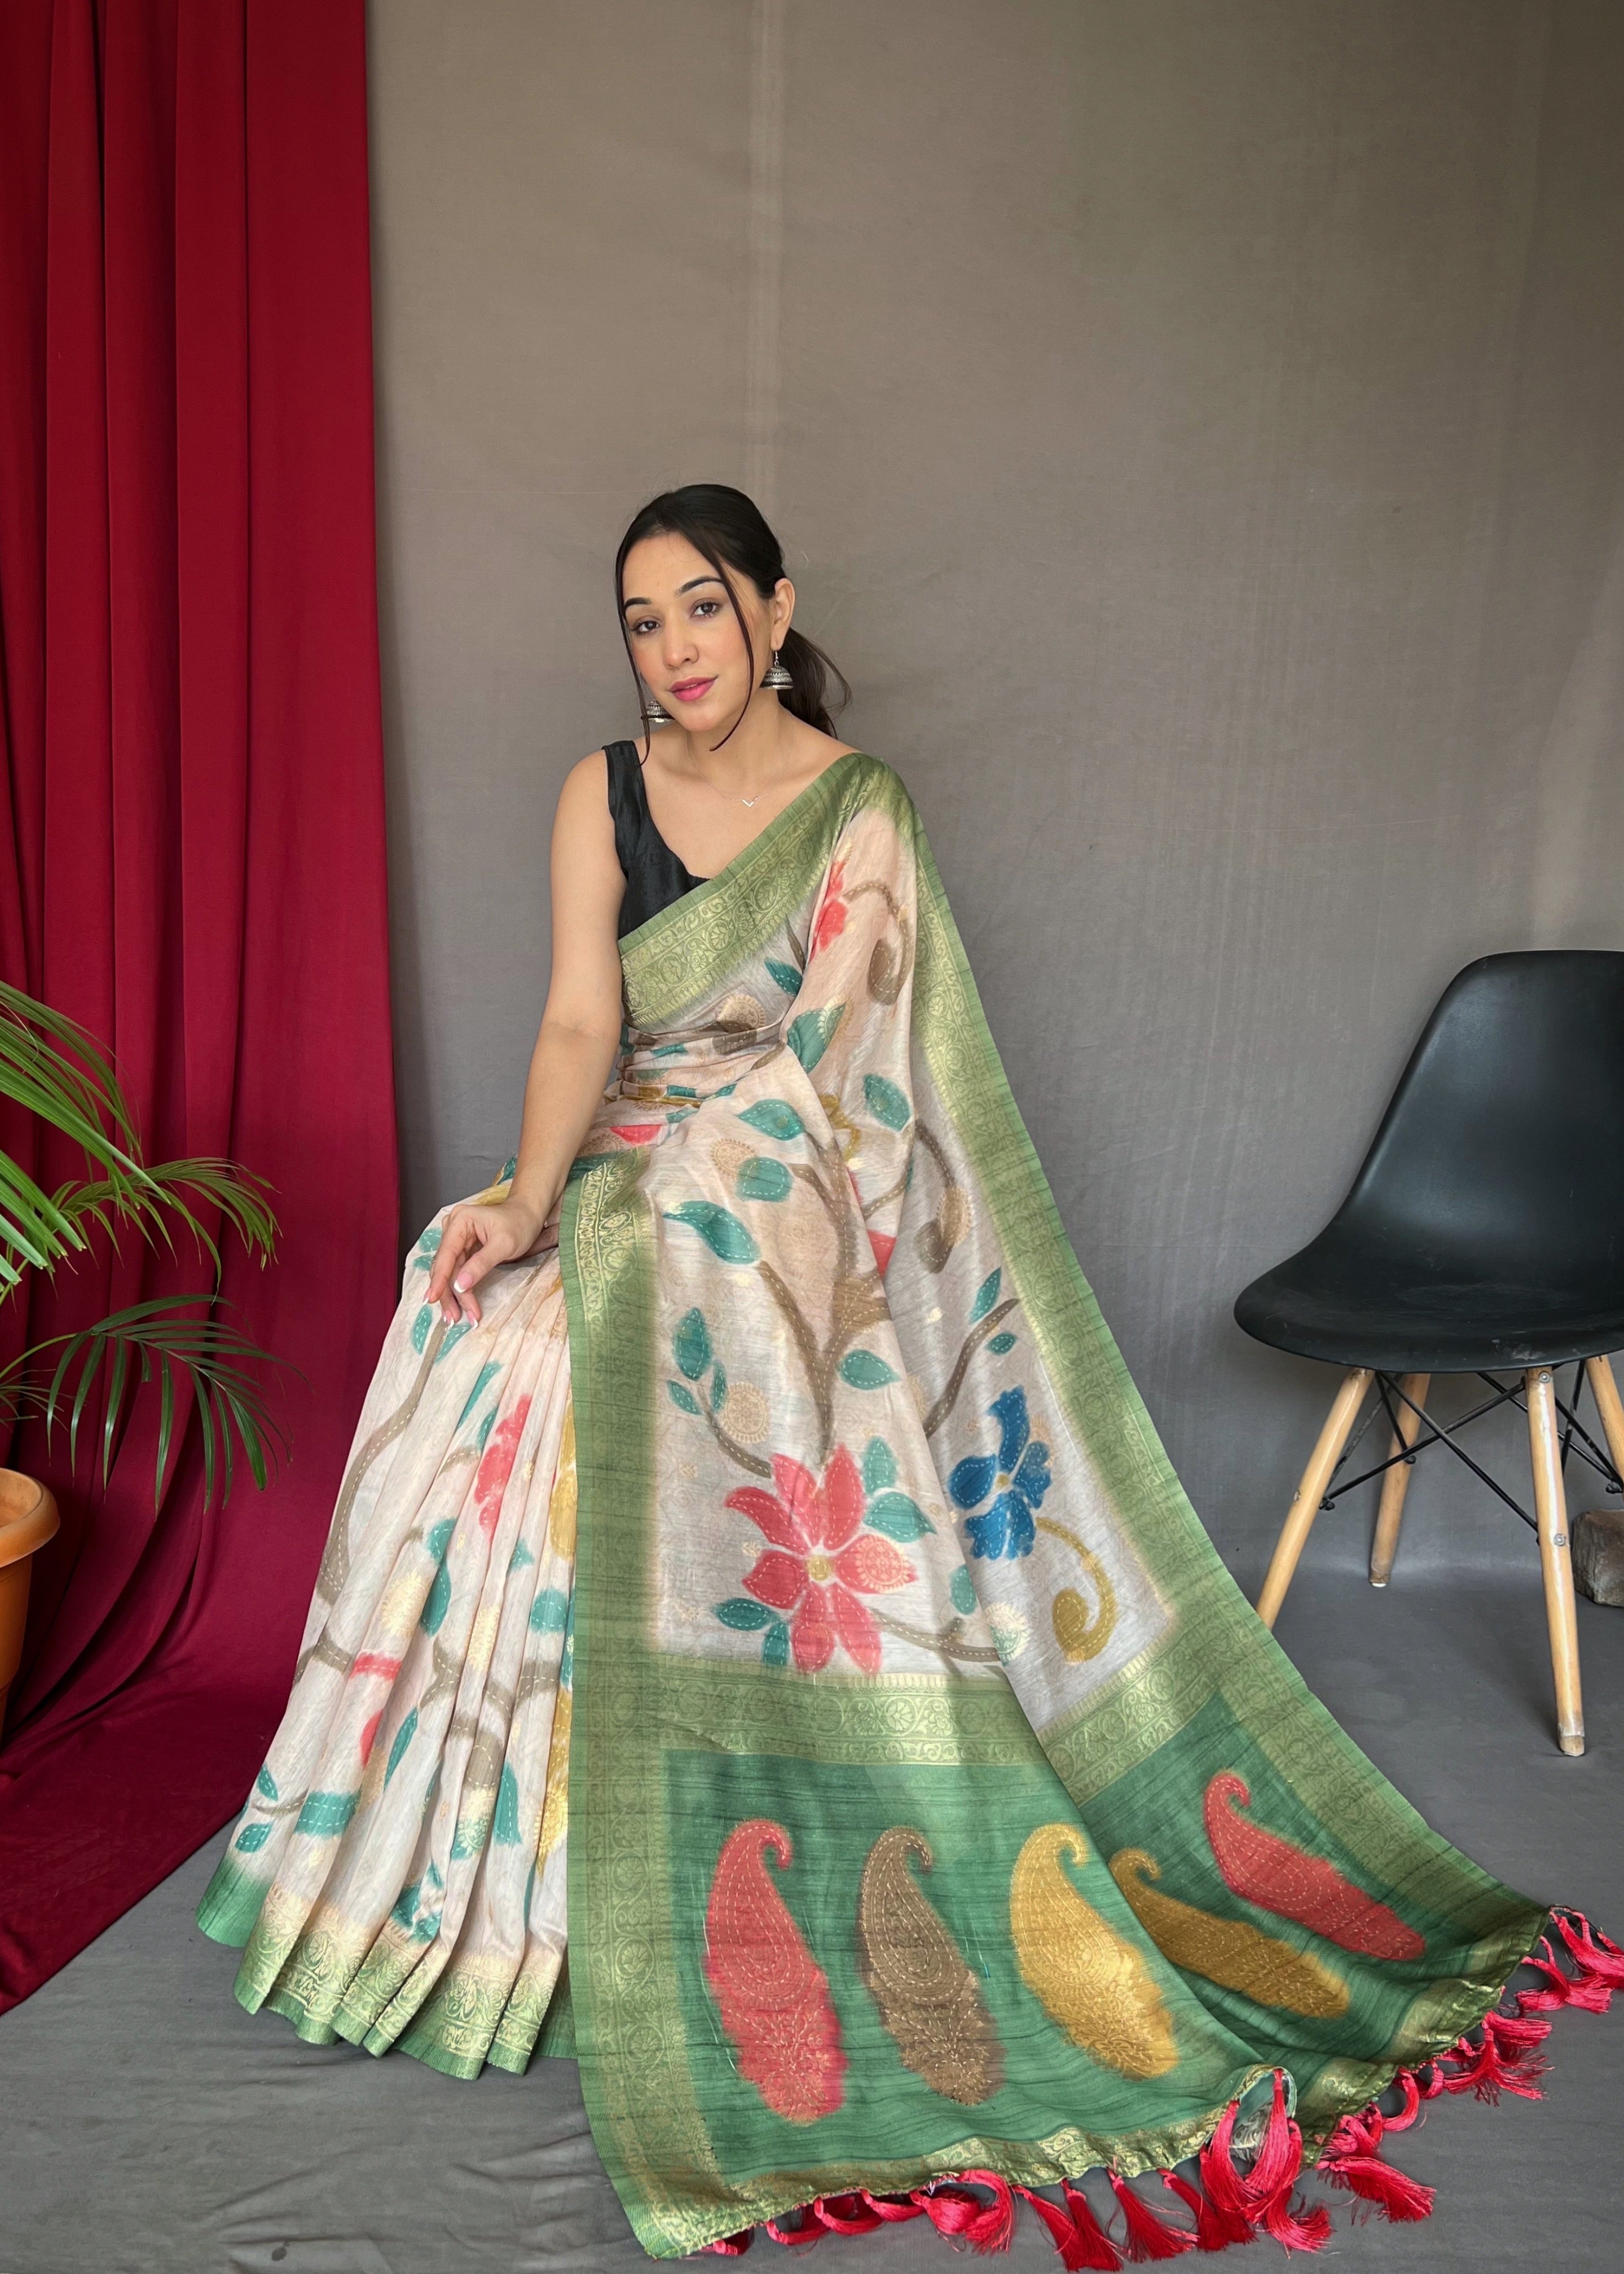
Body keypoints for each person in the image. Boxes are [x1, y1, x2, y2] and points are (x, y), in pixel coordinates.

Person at [199, 486, 1616, 2263]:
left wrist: (678, 1200)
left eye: (701, 608)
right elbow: (582, 1020)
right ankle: (489, 1909)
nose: (673, 651)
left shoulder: (859, 811)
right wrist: (539, 1196)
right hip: (636, 1158)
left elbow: (849, 1086)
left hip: (788, 1198)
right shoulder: (602, 790)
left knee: (680, 1307)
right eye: (640, 621)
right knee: (485, 1304)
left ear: (777, 607)